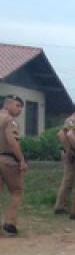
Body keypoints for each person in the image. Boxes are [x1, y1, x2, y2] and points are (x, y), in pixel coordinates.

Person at [0, 95, 27, 235]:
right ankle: (10, 222)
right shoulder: (10, 121)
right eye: (17, 105)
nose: (20, 110)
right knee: (17, 191)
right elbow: (12, 141)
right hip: (7, 160)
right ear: (8, 104)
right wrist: (21, 159)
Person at [54, 100, 75, 214]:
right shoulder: (71, 120)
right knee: (68, 179)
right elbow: (62, 134)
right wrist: (68, 150)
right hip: (70, 152)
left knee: (71, 179)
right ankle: (60, 206)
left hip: (74, 152)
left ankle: (64, 205)